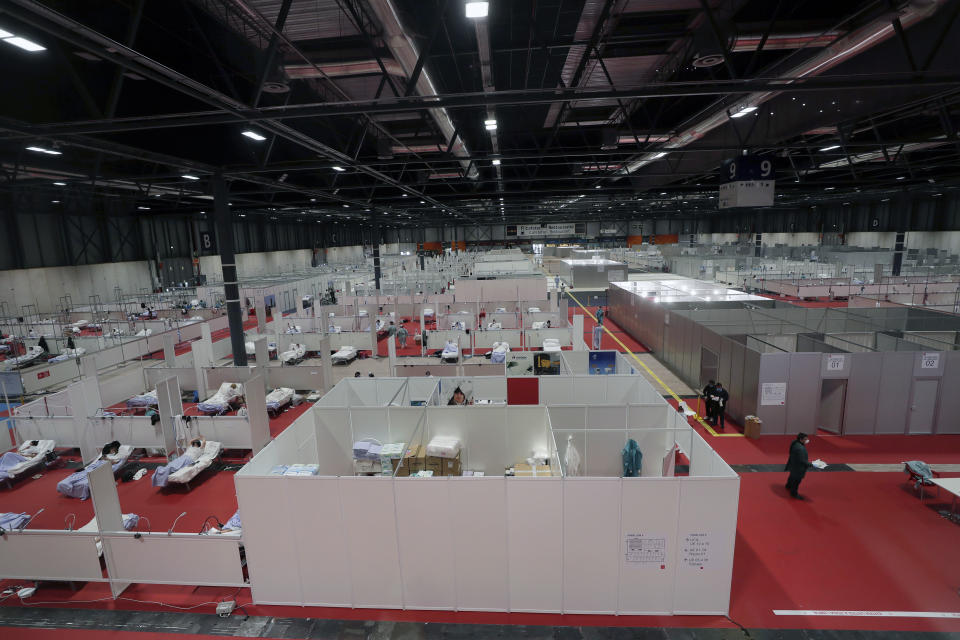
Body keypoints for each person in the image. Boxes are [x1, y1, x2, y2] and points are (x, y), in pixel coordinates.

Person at [785, 433, 814, 499]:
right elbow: (803, 461)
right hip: (798, 468)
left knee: (792, 475)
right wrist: (812, 464)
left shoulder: (794, 443)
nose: (807, 440)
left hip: (793, 464)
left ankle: (788, 486)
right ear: (801, 439)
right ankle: (793, 493)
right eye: (805, 439)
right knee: (797, 481)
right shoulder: (801, 449)